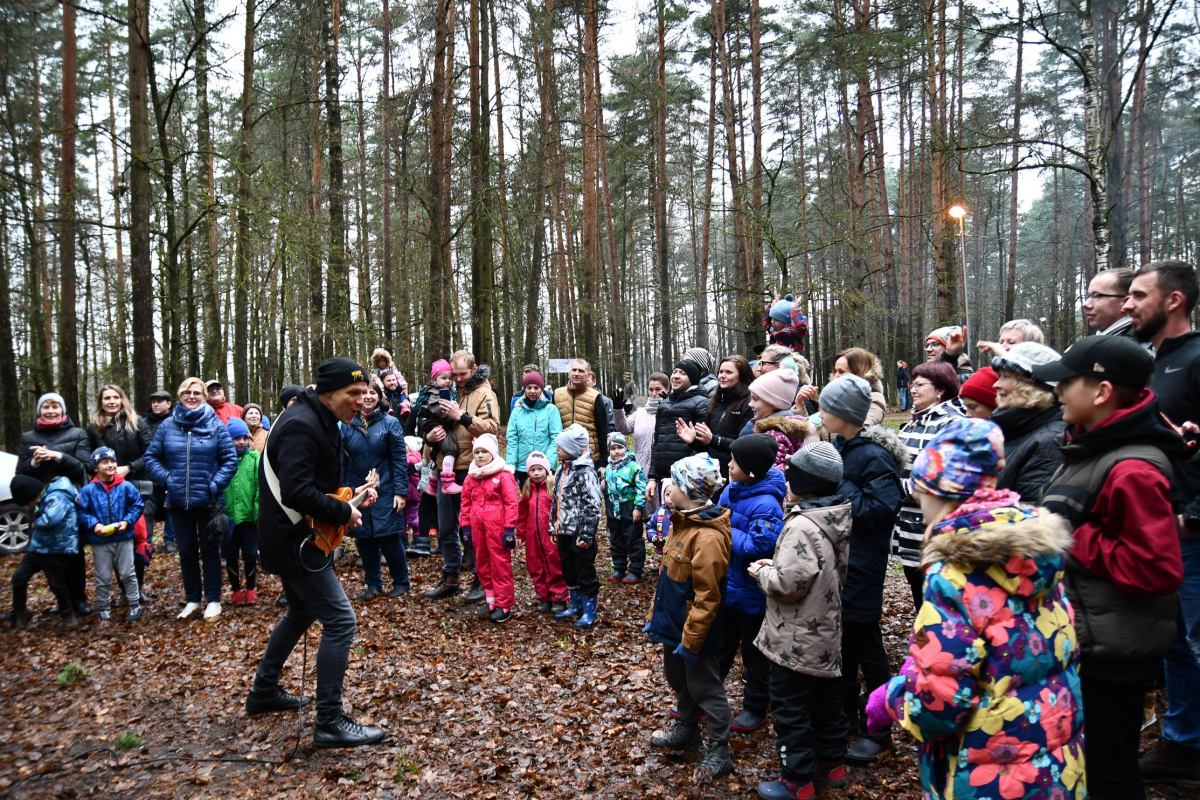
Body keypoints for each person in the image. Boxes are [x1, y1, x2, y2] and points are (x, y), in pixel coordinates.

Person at [870, 418, 1085, 800]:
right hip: (1055, 759)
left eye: (923, 498)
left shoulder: (955, 575)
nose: (921, 510)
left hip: (986, 770)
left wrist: (894, 699)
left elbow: (938, 705)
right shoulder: (1038, 557)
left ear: (947, 493)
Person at [1028, 335, 1187, 798]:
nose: (1057, 392)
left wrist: (1068, 536)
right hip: (1089, 640)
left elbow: (1157, 569)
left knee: (1109, 772)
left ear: (1101, 392)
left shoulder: (1132, 467)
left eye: (1067, 383)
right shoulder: (1090, 448)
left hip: (1113, 655)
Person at [248, 358, 383, 749]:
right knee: (341, 622)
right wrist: (343, 511)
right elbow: (295, 492)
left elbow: (315, 486)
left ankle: (263, 692)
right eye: (352, 394)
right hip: (295, 542)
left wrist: (349, 498)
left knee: (302, 612)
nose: (361, 401)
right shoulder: (302, 426)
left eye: (364, 393)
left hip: (295, 536)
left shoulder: (320, 419)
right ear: (327, 393)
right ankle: (328, 721)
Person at [1124, 260, 1200, 788]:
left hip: (1193, 534)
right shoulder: (1148, 361)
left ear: (1173, 300)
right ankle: (1183, 745)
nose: (1127, 305)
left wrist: (1193, 518)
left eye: (1136, 295)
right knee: (1175, 645)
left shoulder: (1196, 359)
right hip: (1161, 534)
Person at [751, 443, 852, 800]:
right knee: (826, 703)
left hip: (795, 637)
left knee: (791, 707)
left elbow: (787, 584)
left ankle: (798, 781)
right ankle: (831, 765)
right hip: (825, 633)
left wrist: (762, 572)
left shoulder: (801, 526)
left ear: (803, 483)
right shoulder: (834, 516)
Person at [818, 376, 905, 765]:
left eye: (825, 408)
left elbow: (882, 510)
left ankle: (879, 728)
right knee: (843, 643)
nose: (820, 415)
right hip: (839, 562)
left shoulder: (872, 456)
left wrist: (843, 488)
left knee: (866, 645)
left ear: (844, 414)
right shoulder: (840, 447)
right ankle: (850, 716)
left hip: (864, 565)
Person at [646, 453, 734, 783]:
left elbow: (707, 595)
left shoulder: (708, 537)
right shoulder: (681, 522)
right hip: (673, 626)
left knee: (705, 687)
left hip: (696, 632)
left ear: (691, 490)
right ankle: (687, 730)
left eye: (674, 485)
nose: (668, 491)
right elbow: (668, 578)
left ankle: (720, 748)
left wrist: (692, 640)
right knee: (678, 679)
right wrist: (656, 618)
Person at [144, 376, 238, 620]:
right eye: (187, 392)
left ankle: (214, 600)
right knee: (186, 552)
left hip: (208, 501)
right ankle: (193, 600)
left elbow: (229, 460)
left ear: (204, 396)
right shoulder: (167, 426)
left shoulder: (216, 424)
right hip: (177, 502)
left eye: (197, 392)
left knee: (210, 551)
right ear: (180, 396)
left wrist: (214, 484)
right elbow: (151, 457)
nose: (192, 396)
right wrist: (166, 479)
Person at [716, 433, 786, 735]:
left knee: (754, 654)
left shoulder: (768, 503)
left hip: (752, 593)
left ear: (752, 468)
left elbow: (760, 546)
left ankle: (756, 708)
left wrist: (723, 530)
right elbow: (718, 515)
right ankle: (708, 697)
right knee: (720, 646)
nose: (729, 465)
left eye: (735, 461)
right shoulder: (732, 490)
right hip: (727, 586)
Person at [422, 351, 500, 604]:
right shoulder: (450, 390)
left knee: (473, 530)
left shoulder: (485, 394)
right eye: (453, 375)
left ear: (474, 369)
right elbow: (435, 423)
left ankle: (481, 581)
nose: (457, 379)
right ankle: (451, 577)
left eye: (462, 374)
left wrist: (462, 417)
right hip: (446, 468)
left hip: (473, 470)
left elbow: (492, 429)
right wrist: (428, 439)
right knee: (446, 528)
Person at [892, 361, 964, 611]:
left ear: (941, 390)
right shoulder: (914, 421)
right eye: (914, 384)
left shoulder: (951, 423)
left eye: (921, 385)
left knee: (938, 605)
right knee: (920, 599)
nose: (913, 389)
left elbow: (943, 480)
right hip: (909, 530)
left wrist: (893, 488)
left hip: (934, 530)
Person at [17, 391, 93, 616]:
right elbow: (19, 474)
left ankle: (79, 599)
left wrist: (56, 456)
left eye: (55, 407)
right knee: (50, 557)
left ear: (62, 410)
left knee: (74, 554)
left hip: (69, 506)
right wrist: (33, 462)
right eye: (45, 407)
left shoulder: (77, 433)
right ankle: (63, 602)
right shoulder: (28, 438)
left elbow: (84, 467)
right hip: (41, 506)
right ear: (39, 410)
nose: (50, 411)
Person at [342, 381, 409, 601]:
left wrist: (400, 491)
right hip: (358, 489)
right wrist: (345, 492)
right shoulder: (347, 424)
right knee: (364, 538)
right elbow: (342, 461)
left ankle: (401, 581)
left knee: (389, 537)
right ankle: (373, 583)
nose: (368, 397)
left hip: (386, 489)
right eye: (364, 393)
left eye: (373, 393)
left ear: (379, 396)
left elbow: (400, 460)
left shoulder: (391, 423)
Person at [87, 384, 154, 604]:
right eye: (107, 398)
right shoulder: (95, 428)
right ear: (101, 402)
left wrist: (129, 467)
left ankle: (137, 588)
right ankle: (124, 590)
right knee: (116, 539)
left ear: (122, 399)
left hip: (137, 486)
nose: (112, 401)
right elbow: (90, 459)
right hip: (107, 491)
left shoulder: (137, 422)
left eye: (116, 397)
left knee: (139, 540)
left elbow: (151, 452)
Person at [989, 342, 1066, 501]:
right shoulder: (1016, 429)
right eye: (999, 376)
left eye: (1006, 377)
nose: (996, 384)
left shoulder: (1048, 441)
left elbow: (1033, 517)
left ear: (1031, 385)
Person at [78, 447, 145, 623]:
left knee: (128, 573)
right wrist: (95, 525)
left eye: (112, 461)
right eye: (104, 462)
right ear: (95, 468)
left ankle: (134, 604)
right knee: (103, 577)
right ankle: (104, 607)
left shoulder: (125, 486)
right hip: (100, 541)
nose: (110, 465)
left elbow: (137, 505)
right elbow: (82, 513)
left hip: (123, 538)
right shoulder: (88, 490)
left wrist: (127, 521)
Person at [459, 433, 519, 623]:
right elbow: (465, 504)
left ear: (493, 453)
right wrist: (466, 528)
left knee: (500, 565)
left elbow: (511, 502)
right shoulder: (471, 478)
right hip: (478, 529)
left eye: (484, 452)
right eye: (477, 452)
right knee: (483, 565)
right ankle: (492, 600)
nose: (480, 456)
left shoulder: (504, 475)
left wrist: (510, 528)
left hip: (498, 528)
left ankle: (505, 604)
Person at [7, 476, 80, 629]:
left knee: (57, 584)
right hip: (39, 547)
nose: (28, 507)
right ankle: (20, 613)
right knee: (18, 577)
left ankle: (68, 615)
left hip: (55, 548)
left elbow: (51, 519)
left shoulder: (58, 496)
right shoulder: (43, 500)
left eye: (28, 503)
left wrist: (35, 523)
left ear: (33, 496)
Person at [550, 424, 604, 628]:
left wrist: (587, 534)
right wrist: (553, 527)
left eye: (561, 446)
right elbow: (555, 501)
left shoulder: (585, 472)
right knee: (569, 569)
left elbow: (592, 504)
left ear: (572, 449)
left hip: (580, 533)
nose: (557, 449)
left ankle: (589, 609)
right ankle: (575, 604)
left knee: (584, 570)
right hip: (563, 530)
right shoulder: (560, 470)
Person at [407, 360, 456, 560]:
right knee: (426, 496)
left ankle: (446, 544)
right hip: (428, 455)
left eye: (450, 378)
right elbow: (410, 427)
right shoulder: (422, 399)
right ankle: (422, 542)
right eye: (443, 378)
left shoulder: (454, 397)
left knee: (447, 499)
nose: (448, 382)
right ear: (434, 379)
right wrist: (424, 439)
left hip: (447, 455)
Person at [677, 356, 754, 479]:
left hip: (737, 473)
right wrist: (693, 440)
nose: (722, 376)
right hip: (712, 473)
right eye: (721, 371)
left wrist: (714, 440)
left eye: (728, 372)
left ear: (742, 375)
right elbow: (707, 445)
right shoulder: (715, 401)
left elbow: (745, 445)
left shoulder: (749, 403)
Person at [647, 361, 710, 504]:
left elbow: (702, 447)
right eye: (675, 372)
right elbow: (656, 443)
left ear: (693, 378)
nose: (675, 376)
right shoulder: (664, 404)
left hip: (687, 478)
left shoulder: (702, 403)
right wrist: (652, 477)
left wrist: (684, 476)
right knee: (664, 522)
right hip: (663, 476)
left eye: (683, 373)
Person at [518, 451, 570, 613]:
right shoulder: (527, 490)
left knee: (554, 565)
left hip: (550, 535)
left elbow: (561, 510)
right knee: (536, 566)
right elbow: (522, 515)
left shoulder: (552, 487)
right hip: (533, 536)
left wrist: (559, 529)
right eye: (533, 470)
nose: (536, 473)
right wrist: (520, 534)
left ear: (546, 469)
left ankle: (559, 597)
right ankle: (544, 597)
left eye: (540, 469)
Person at [613, 371, 668, 515]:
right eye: (651, 389)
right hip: (641, 470)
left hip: (663, 471)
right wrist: (618, 410)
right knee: (642, 515)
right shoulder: (641, 412)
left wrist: (669, 406)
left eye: (658, 389)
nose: (654, 393)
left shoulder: (672, 411)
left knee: (663, 516)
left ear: (667, 390)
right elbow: (623, 428)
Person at [743, 369, 818, 469]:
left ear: (773, 403)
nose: (750, 404)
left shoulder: (775, 436)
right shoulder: (769, 428)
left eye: (756, 399)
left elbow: (768, 473)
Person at [223, 418, 261, 606]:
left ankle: (251, 588)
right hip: (229, 517)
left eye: (244, 438)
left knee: (250, 554)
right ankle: (236, 590)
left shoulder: (254, 459)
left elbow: (259, 487)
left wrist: (257, 513)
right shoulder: (222, 460)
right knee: (230, 555)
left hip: (248, 518)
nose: (241, 442)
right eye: (236, 438)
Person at [604, 432, 647, 584]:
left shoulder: (634, 467)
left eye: (620, 448)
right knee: (616, 538)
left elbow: (641, 488)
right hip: (614, 507)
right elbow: (608, 487)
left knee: (633, 538)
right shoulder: (609, 468)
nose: (616, 451)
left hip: (629, 506)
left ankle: (636, 569)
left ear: (626, 449)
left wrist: (637, 507)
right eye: (613, 448)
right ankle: (619, 568)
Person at [505, 371, 562, 486]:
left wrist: (548, 464)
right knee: (527, 500)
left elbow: (556, 437)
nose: (532, 391)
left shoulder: (551, 409)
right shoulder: (516, 412)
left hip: (544, 468)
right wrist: (511, 465)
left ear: (541, 389)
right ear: (524, 389)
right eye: (529, 387)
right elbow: (512, 439)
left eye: (536, 388)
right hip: (523, 467)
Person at [553, 359, 610, 468]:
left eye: (581, 371)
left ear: (588, 375)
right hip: (566, 458)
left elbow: (603, 430)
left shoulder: (595, 397)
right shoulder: (557, 394)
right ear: (570, 372)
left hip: (591, 459)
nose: (576, 374)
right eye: (574, 370)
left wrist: (604, 463)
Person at [144, 389, 175, 553]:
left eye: (159, 401)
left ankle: (169, 540)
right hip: (150, 472)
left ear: (168, 404)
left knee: (171, 507)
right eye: (153, 401)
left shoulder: (176, 421)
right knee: (150, 508)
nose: (155, 404)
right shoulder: (144, 423)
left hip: (172, 472)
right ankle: (147, 540)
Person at [829, 348, 887, 426]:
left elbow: (863, 425)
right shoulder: (834, 397)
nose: (836, 377)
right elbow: (813, 427)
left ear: (859, 374)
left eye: (841, 372)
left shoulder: (873, 397)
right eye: (835, 371)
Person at [1085, 267, 1136, 337]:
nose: (1086, 304)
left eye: (1098, 296)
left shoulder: (1132, 345)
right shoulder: (1101, 340)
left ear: (1125, 303)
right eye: (1089, 296)